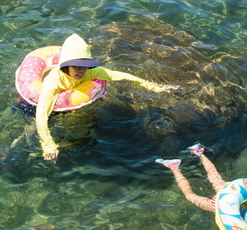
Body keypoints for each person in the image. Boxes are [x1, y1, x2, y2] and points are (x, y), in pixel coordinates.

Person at [34, 33, 177, 162]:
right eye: (77, 66)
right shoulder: (52, 82)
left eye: (85, 66)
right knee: (34, 127)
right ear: (66, 65)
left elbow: (120, 75)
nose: (81, 70)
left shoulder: (90, 72)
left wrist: (156, 87)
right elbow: (41, 116)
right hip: (44, 103)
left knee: (86, 137)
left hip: (74, 101)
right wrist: (48, 146)